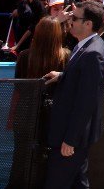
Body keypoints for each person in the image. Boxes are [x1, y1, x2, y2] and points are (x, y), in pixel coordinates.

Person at [42, 1, 104, 189]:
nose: (70, 21)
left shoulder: (92, 53)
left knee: (57, 182)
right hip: (72, 134)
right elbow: (83, 80)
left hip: (72, 137)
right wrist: (63, 75)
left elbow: (87, 101)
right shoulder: (86, 46)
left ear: (88, 24)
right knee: (78, 182)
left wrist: (71, 139)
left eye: (75, 18)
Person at [10, 17, 69, 189]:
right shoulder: (65, 55)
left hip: (26, 112)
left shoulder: (24, 56)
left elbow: (18, 87)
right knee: (47, 156)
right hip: (53, 114)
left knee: (21, 155)